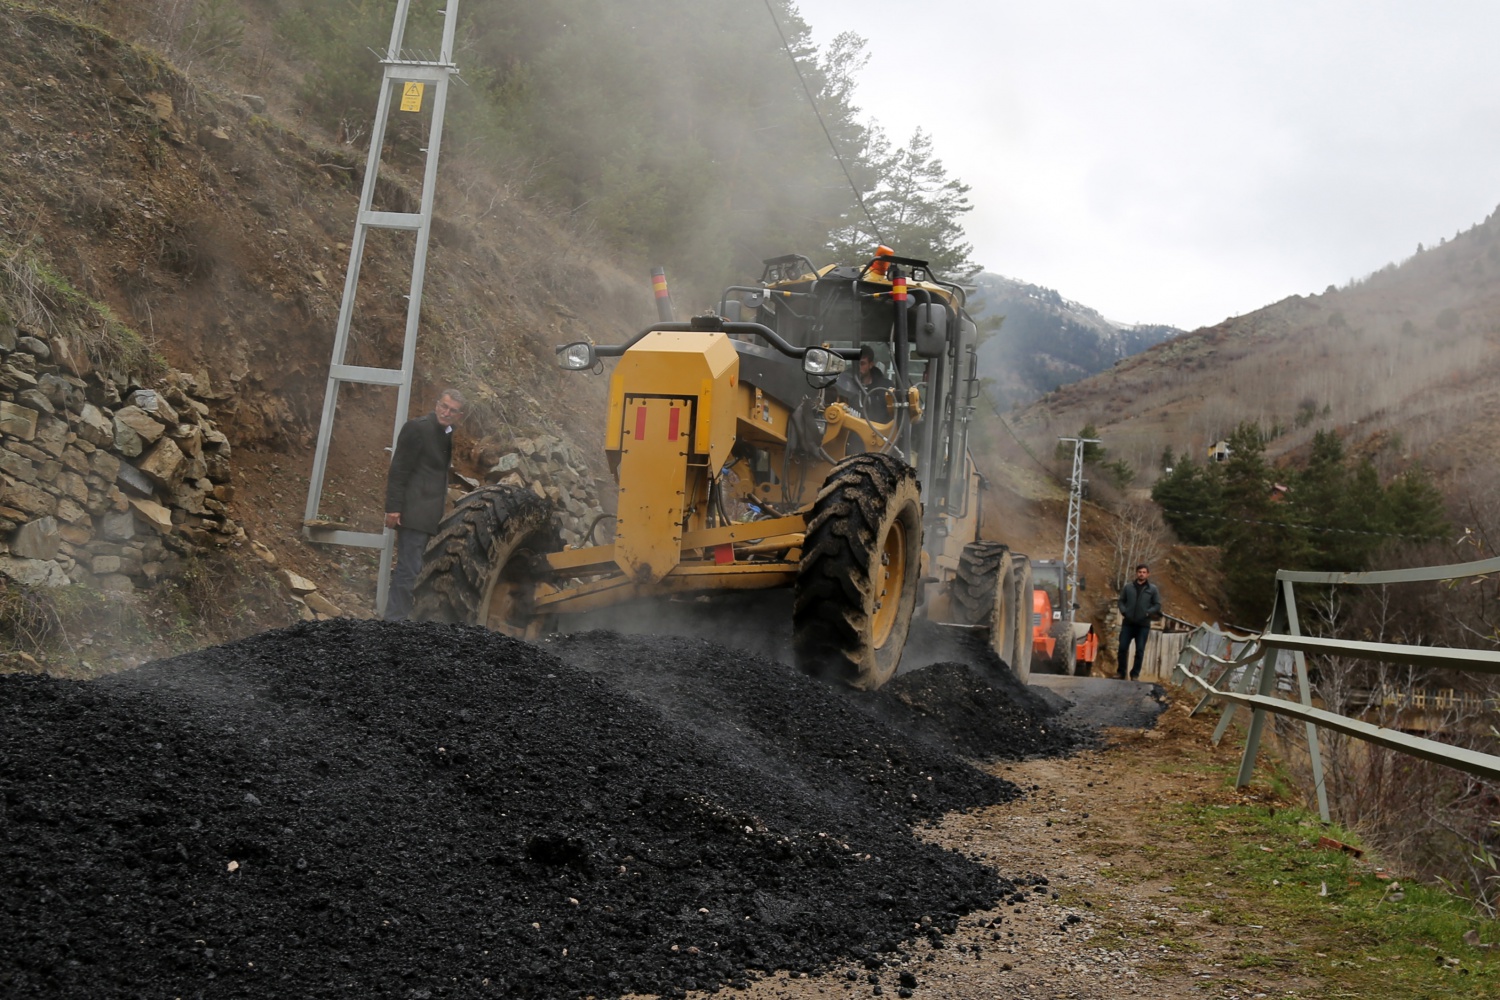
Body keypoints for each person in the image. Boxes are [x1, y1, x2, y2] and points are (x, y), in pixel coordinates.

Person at [383, 388, 465, 621]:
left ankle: (400, 618)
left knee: (413, 569)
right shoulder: (417, 428)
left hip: (429, 516)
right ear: (437, 404)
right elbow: (398, 470)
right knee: (408, 570)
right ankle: (393, 621)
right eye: (444, 406)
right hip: (413, 513)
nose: (447, 413)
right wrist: (393, 507)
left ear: (460, 416)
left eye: (453, 411)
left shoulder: (446, 432)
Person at [1116, 563, 1161, 680]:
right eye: (1140, 572)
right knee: (1122, 648)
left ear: (1148, 574)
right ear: (1136, 573)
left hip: (1143, 625)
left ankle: (1135, 674)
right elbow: (1121, 601)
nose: (1142, 574)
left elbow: (1157, 605)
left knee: (1140, 650)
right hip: (1128, 624)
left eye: (1144, 572)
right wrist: (1124, 611)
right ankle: (1121, 672)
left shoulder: (1152, 589)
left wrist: (1148, 612)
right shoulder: (1128, 587)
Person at [855, 344, 893, 422]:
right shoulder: (845, 386)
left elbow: (892, 415)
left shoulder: (885, 388)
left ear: (871, 365)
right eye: (856, 363)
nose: (858, 367)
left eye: (862, 364)